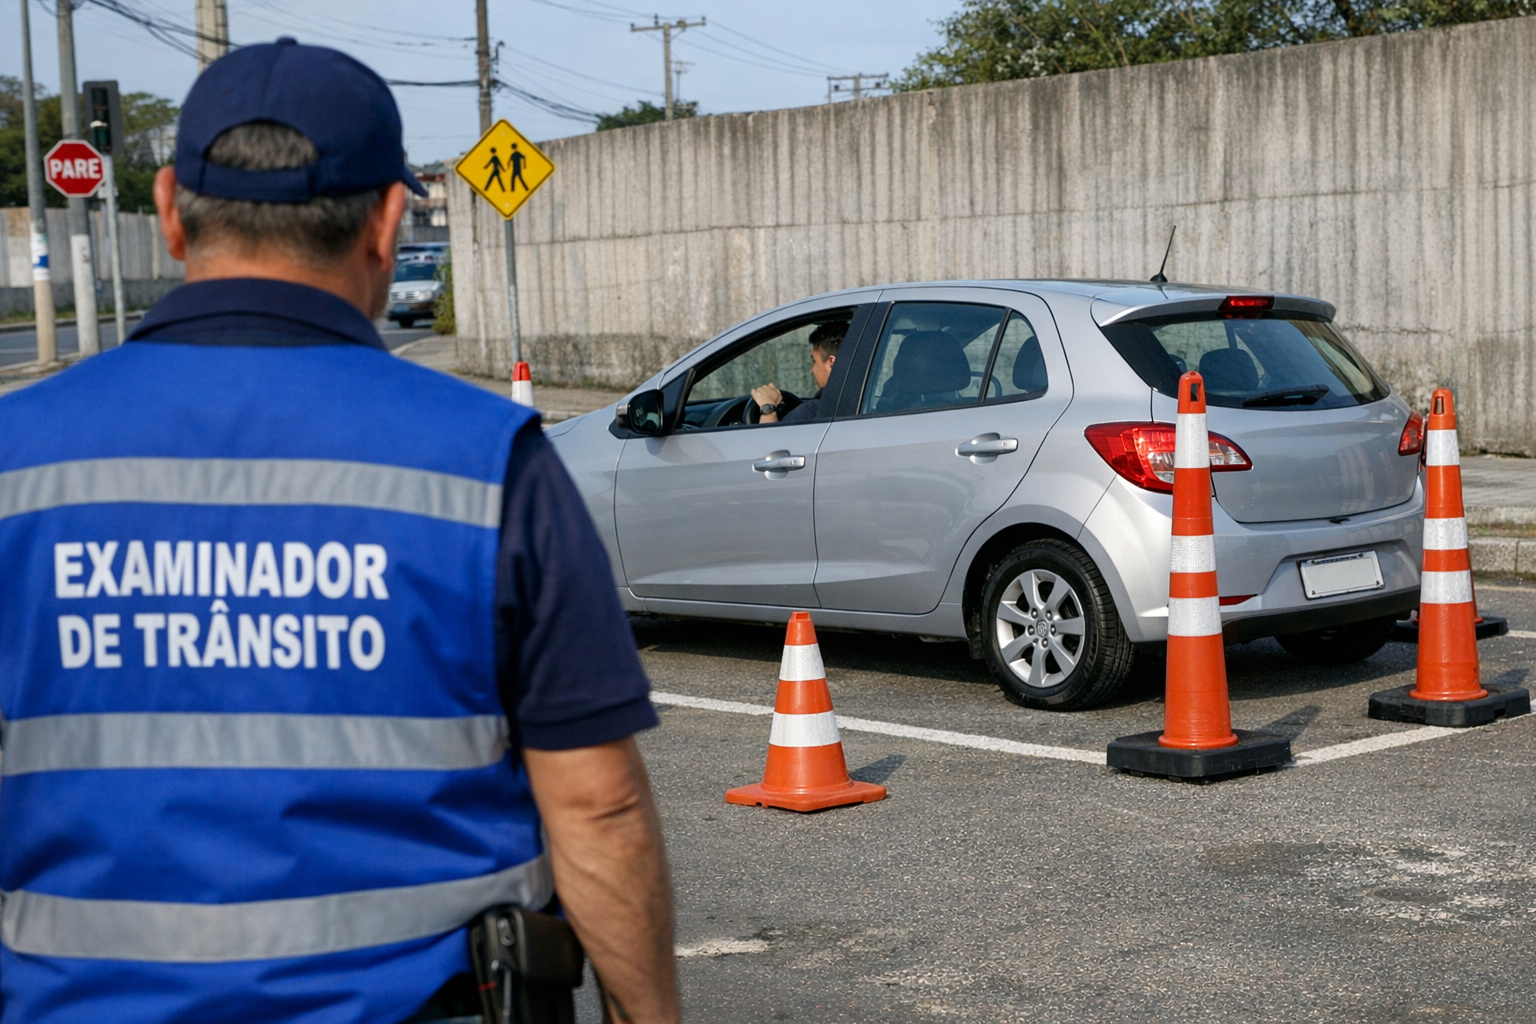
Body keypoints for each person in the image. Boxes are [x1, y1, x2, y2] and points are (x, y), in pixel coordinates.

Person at [0, 39, 679, 1024]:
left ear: (169, 214)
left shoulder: (16, 456)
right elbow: (597, 806)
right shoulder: (492, 463)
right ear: (390, 221)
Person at [750, 320, 846, 424]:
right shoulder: (860, 402)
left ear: (831, 362)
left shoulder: (812, 412)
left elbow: (767, 440)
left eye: (814, 361)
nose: (812, 370)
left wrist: (768, 410)